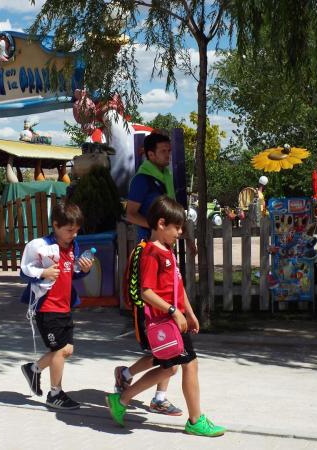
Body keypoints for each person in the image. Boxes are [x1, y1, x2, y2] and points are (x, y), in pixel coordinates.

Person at [106, 196, 225, 437]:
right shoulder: (152, 253)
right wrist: (174, 311)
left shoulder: (167, 251)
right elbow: (145, 292)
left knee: (170, 369)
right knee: (188, 364)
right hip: (164, 322)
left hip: (174, 321)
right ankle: (195, 420)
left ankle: (123, 399)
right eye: (177, 227)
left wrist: (189, 313)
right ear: (161, 224)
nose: (180, 232)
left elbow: (177, 287)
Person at [122, 132, 186, 415]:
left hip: (164, 249)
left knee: (168, 338)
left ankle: (128, 376)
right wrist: (153, 230)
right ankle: (153, 394)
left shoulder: (163, 178)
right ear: (149, 154)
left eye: (168, 151)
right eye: (162, 151)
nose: (167, 155)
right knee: (163, 334)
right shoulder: (143, 180)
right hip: (151, 252)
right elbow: (130, 212)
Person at [19, 202, 93, 410]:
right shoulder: (40, 246)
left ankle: (34, 369)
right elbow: (24, 272)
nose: (74, 235)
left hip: (64, 306)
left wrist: (84, 269)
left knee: (67, 350)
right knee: (60, 349)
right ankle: (55, 394)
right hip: (47, 308)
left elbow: (73, 273)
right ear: (55, 225)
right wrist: (43, 273)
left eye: (77, 230)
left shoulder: (73, 247)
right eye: (70, 230)